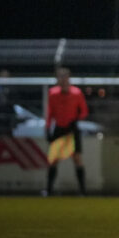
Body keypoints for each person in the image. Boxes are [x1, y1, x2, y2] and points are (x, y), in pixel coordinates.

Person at [43, 67, 89, 196]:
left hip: (72, 130)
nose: (62, 80)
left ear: (69, 78)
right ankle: (49, 190)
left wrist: (76, 120)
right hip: (59, 128)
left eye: (65, 77)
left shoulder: (76, 93)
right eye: (60, 77)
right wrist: (47, 128)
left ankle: (83, 191)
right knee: (53, 159)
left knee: (77, 159)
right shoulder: (53, 93)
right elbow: (50, 113)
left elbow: (84, 111)